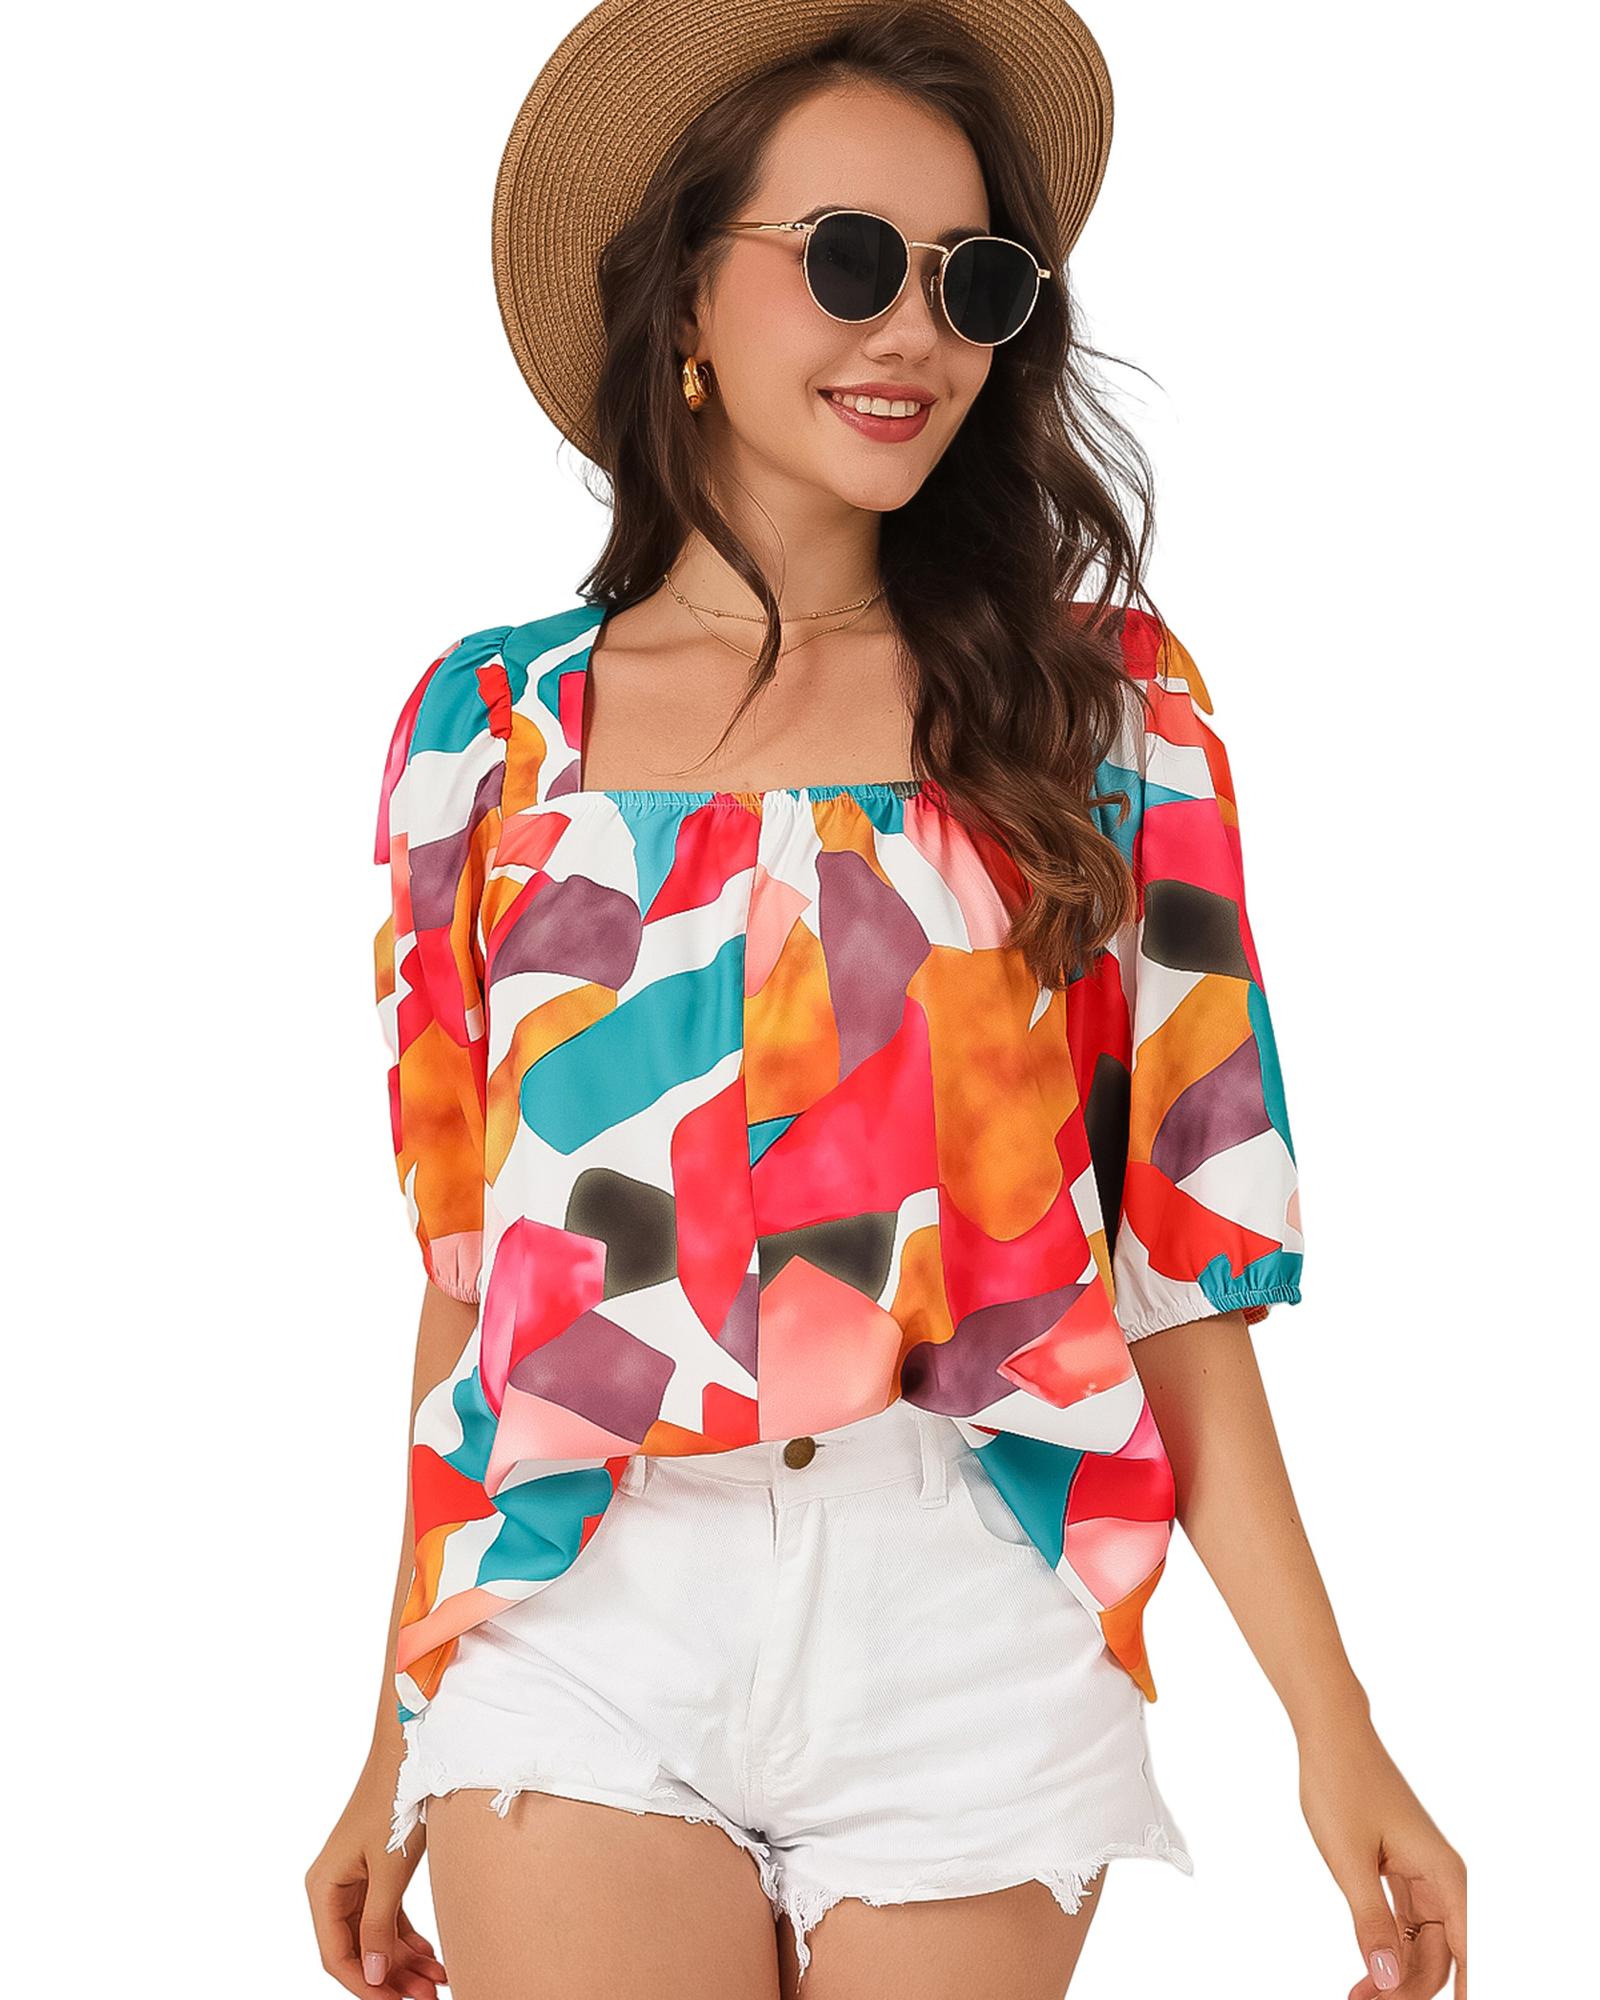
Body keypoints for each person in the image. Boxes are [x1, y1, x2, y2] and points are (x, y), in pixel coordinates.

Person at [305, 4, 1467, 1997]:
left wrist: (1333, 1725)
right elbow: (469, 1284)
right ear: (685, 288)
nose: (914, 330)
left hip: (967, 1614)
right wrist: (383, 1739)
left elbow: (1173, 1272)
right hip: (585, 1611)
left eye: (971, 279)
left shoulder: (1101, 716)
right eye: (848, 259)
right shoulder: (485, 738)